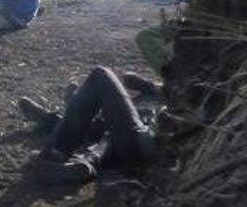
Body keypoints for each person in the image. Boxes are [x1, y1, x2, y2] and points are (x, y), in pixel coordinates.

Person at [19, 66, 165, 183]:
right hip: (148, 149)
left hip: (146, 145)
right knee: (103, 123)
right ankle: (85, 160)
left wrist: (150, 86)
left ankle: (58, 147)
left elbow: (132, 80)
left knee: (100, 76)